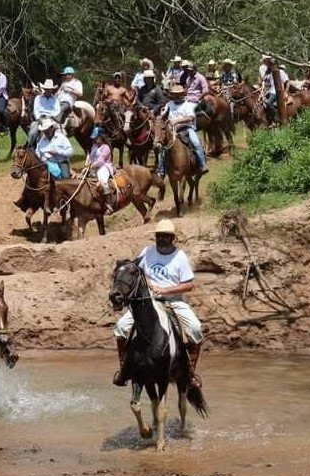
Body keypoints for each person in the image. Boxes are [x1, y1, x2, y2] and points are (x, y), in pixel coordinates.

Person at [112, 219, 204, 388]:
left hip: (173, 301)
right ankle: (124, 370)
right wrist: (147, 284)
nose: (161, 239)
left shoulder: (180, 257)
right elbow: (136, 269)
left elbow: (189, 285)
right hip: (147, 300)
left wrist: (164, 290)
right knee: (121, 327)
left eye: (165, 236)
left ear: (172, 238)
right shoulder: (147, 251)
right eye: (159, 236)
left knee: (195, 328)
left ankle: (190, 374)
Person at [157, 84, 208, 177]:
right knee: (162, 147)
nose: (176, 96)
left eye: (178, 94)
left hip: (186, 128)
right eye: (174, 94)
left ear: (182, 94)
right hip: (172, 131)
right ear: (171, 95)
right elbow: (163, 117)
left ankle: (202, 164)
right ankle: (161, 170)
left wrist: (176, 121)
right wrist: (162, 117)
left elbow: (190, 118)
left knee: (196, 143)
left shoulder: (187, 105)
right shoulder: (169, 104)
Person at [87, 128, 116, 213]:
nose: (95, 139)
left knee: (103, 182)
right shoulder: (94, 146)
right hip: (93, 167)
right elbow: (90, 156)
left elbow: (101, 160)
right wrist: (88, 160)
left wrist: (92, 165)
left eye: (96, 138)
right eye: (94, 138)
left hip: (103, 167)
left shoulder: (106, 147)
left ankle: (109, 203)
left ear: (101, 137)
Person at [28, 79, 62, 145]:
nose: (48, 91)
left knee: (61, 133)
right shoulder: (38, 98)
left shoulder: (56, 100)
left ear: (52, 90)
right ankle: (30, 148)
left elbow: (57, 110)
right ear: (44, 89)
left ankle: (61, 148)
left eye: (49, 89)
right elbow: (36, 110)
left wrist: (52, 116)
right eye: (46, 89)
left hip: (51, 119)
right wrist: (38, 118)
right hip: (40, 118)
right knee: (32, 133)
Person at [262, 58, 289, 125]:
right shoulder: (268, 73)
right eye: (268, 64)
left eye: (271, 64)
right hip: (269, 91)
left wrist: (286, 92)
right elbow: (265, 83)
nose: (269, 65)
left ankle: (275, 118)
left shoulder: (280, 72)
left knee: (268, 103)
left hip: (276, 92)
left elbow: (287, 82)